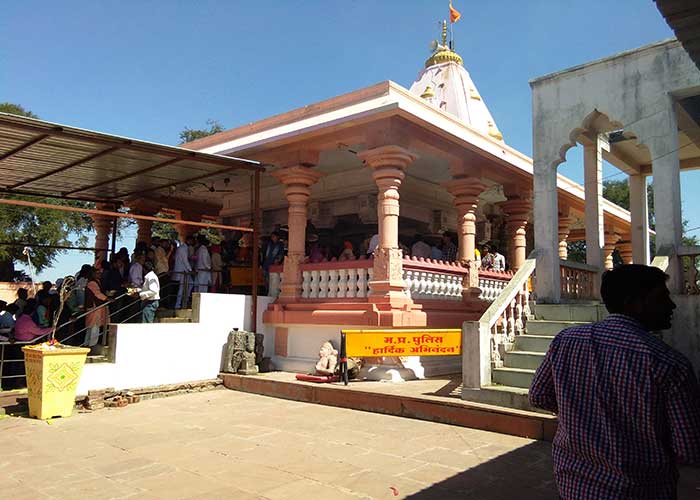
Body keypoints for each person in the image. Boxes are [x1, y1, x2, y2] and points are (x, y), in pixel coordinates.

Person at [529, 265, 700, 499]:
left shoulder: (566, 341)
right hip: (638, 491)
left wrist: (582, 414)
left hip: (573, 487)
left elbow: (539, 396)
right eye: (661, 297)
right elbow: (689, 448)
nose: (671, 305)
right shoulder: (668, 363)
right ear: (633, 303)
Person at [84, 267, 110, 348]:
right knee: (94, 326)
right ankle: (91, 345)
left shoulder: (96, 282)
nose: (100, 274)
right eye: (98, 273)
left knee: (92, 327)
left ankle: (87, 344)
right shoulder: (92, 283)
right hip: (94, 307)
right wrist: (107, 298)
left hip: (95, 307)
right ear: (93, 274)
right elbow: (97, 294)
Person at [172, 239, 193, 309]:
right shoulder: (183, 248)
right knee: (181, 288)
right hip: (182, 271)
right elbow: (185, 260)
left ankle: (184, 301)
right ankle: (178, 304)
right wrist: (190, 269)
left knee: (190, 284)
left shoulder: (181, 248)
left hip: (183, 270)